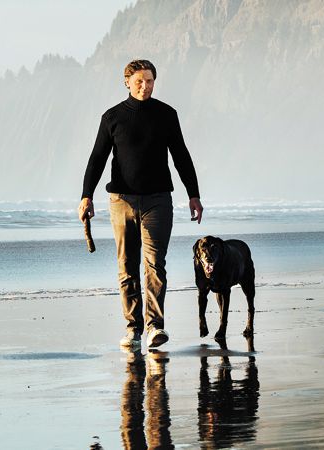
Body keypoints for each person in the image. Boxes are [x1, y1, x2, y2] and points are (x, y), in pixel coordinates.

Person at [78, 59, 204, 348]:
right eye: (139, 81)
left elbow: (181, 156)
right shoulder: (112, 117)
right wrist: (86, 195)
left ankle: (155, 327)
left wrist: (193, 194)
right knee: (127, 267)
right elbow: (97, 158)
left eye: (149, 81)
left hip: (158, 200)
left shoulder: (166, 114)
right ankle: (133, 327)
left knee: (155, 265)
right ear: (127, 82)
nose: (145, 86)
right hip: (121, 200)